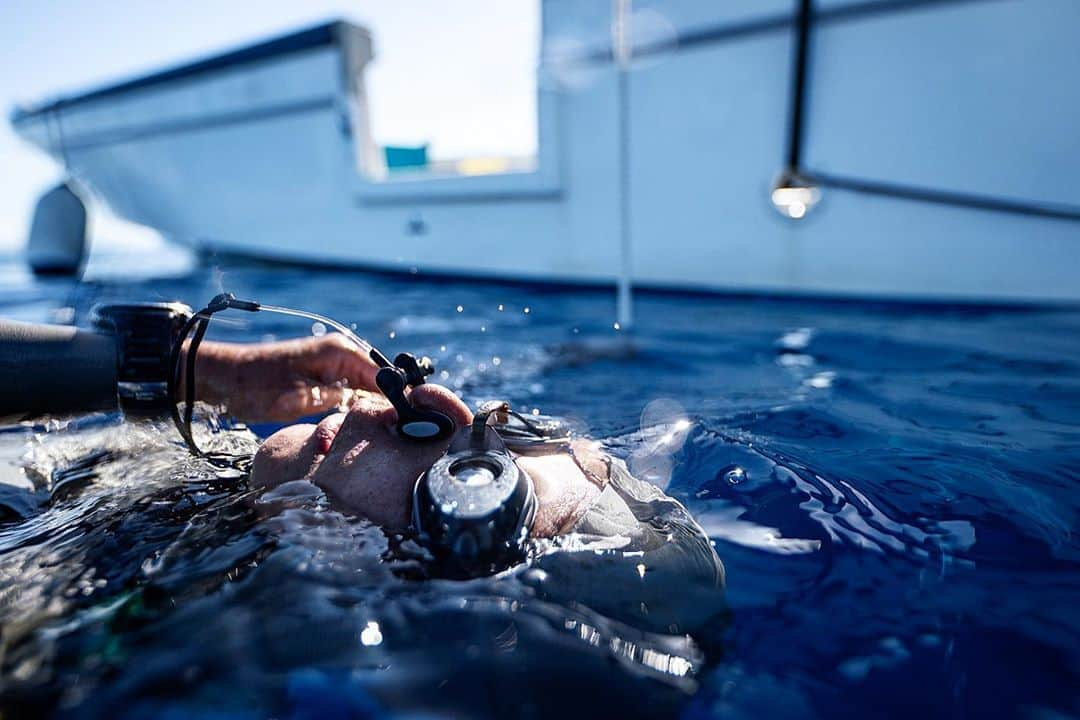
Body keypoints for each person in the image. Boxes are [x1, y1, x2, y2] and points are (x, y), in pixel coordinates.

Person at [1, 311, 724, 629]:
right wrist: (205, 370)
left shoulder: (56, 623)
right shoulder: (238, 474)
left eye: (474, 485)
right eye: (511, 427)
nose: (439, 405)